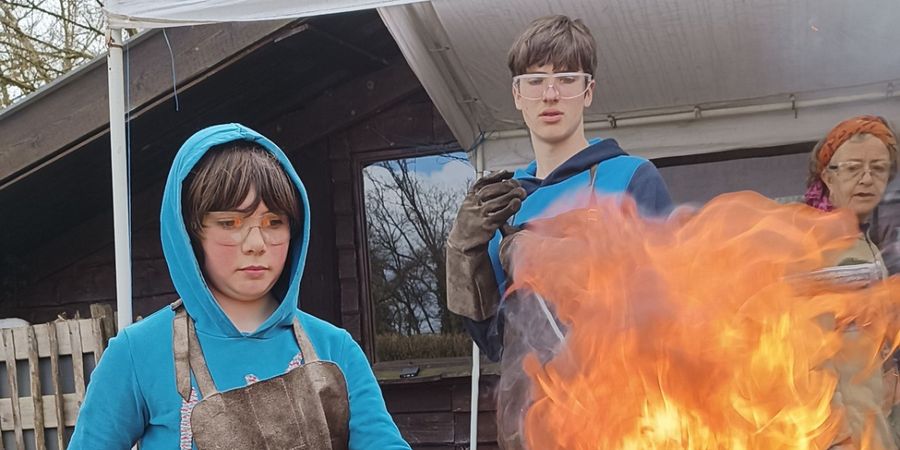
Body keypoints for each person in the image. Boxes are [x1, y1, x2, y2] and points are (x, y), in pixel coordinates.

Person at [69, 124, 410, 450]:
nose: (256, 243)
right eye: (230, 223)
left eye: (273, 222)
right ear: (190, 233)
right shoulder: (137, 352)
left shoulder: (335, 349)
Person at [445, 15, 673, 449]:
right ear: (517, 94)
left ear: (588, 92)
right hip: (530, 429)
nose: (550, 94)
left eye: (566, 79)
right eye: (535, 81)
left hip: (622, 423)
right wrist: (465, 252)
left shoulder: (631, 178)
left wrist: (547, 259)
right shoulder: (504, 205)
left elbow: (663, 309)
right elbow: (496, 341)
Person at [803, 114, 900, 449]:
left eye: (879, 168)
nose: (867, 179)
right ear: (828, 177)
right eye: (853, 167)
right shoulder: (815, 244)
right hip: (844, 435)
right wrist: (836, 434)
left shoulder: (866, 242)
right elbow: (807, 352)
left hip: (876, 424)